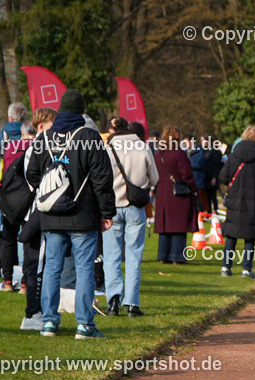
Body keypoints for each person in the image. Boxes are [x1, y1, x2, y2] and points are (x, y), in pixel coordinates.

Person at [25, 89, 115, 339]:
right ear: (80, 112)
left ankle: (49, 322)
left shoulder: (44, 138)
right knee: (84, 269)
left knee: (51, 267)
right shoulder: (90, 137)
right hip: (83, 216)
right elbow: (102, 179)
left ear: (61, 109)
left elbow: (32, 175)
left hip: (51, 215)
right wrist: (107, 212)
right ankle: (85, 325)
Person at [104, 116, 158, 317]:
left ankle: (113, 300)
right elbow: (155, 178)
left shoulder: (108, 148)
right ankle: (133, 304)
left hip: (112, 206)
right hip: (136, 206)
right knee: (134, 255)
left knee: (111, 256)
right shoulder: (142, 147)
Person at [15, 107, 56, 330]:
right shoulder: (38, 147)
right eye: (52, 124)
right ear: (42, 126)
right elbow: (36, 183)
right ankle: (32, 314)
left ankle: (38, 312)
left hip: (37, 212)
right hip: (37, 212)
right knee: (36, 265)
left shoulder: (40, 146)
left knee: (38, 264)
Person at [218, 125, 255, 278]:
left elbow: (223, 177)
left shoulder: (234, 154)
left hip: (235, 198)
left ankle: (225, 266)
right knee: (250, 235)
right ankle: (246, 269)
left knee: (231, 233)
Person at [153, 126, 198, 264]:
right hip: (178, 192)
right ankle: (177, 257)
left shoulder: (159, 154)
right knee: (179, 226)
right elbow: (187, 174)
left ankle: (163, 255)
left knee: (165, 226)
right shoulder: (179, 153)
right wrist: (193, 187)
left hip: (162, 192)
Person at [202, 135, 224, 215]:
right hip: (206, 176)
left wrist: (214, 177)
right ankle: (209, 211)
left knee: (213, 194)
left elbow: (217, 165)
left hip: (212, 175)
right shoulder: (205, 151)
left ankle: (215, 210)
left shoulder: (215, 152)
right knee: (208, 195)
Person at [188, 137, 209, 213]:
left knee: (200, 197)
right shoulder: (186, 151)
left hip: (198, 178)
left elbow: (200, 163)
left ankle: (202, 213)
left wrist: (188, 164)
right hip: (191, 178)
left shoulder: (199, 151)